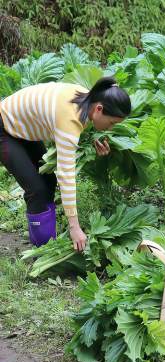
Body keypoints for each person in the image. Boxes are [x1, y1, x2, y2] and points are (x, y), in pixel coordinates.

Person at [0, 77, 131, 251]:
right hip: (4, 127)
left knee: (48, 180)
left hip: (22, 127)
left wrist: (94, 142)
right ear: (99, 109)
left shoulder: (87, 98)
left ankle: (45, 237)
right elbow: (66, 175)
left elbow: (76, 129)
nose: (111, 128)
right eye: (112, 123)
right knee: (37, 190)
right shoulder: (69, 118)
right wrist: (74, 227)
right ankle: (42, 248)